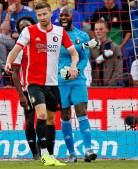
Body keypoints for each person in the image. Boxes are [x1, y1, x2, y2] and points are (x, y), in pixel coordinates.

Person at [4, 2, 79, 166]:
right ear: (37, 16)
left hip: (52, 84)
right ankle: (43, 154)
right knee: (42, 115)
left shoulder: (59, 32)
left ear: (50, 13)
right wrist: (8, 62)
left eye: (45, 14)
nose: (42, 18)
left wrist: (73, 66)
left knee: (51, 120)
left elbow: (74, 53)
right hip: (34, 83)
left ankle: (50, 155)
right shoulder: (29, 31)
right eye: (39, 15)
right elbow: (16, 50)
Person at [58, 6, 98, 163]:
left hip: (77, 79)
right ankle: (71, 153)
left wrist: (77, 71)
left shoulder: (82, 35)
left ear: (71, 16)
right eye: (61, 15)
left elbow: (84, 58)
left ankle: (88, 150)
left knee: (81, 111)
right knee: (65, 115)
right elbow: (64, 51)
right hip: (61, 80)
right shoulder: (56, 35)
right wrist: (84, 45)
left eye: (66, 15)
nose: (63, 18)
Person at [11, 16, 39, 160]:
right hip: (27, 89)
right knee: (29, 120)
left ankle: (44, 149)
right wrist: (21, 95)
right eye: (22, 28)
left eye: (27, 26)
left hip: (44, 86)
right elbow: (14, 73)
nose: (25, 29)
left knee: (45, 119)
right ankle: (35, 153)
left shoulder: (42, 44)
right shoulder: (19, 48)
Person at [90, 20, 124, 86]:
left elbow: (118, 69)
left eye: (101, 29)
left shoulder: (115, 48)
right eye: (96, 29)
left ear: (107, 30)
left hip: (110, 87)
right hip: (94, 87)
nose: (98, 31)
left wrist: (110, 85)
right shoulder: (91, 47)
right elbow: (88, 66)